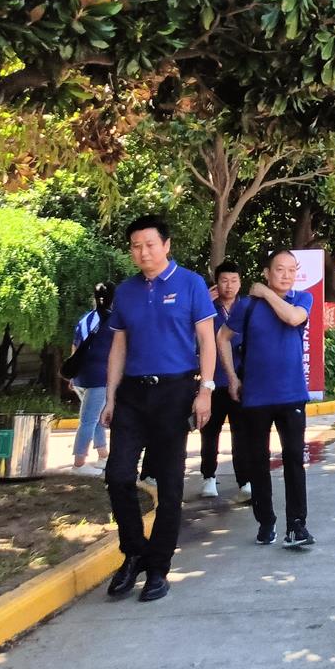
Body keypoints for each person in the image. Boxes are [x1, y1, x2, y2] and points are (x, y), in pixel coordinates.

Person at [101, 215, 217, 603]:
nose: (143, 252)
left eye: (150, 244)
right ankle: (134, 552)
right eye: (136, 246)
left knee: (170, 485)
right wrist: (110, 396)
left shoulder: (191, 284)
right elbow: (118, 346)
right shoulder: (126, 291)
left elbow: (207, 340)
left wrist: (205, 390)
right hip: (133, 395)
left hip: (175, 391)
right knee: (118, 475)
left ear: (166, 245)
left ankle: (158, 568)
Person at [220, 249, 315, 548]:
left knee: (294, 460)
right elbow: (222, 338)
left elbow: (292, 318)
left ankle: (296, 526)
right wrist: (232, 378)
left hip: (292, 395)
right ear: (266, 272)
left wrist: (265, 293)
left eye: (291, 270)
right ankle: (266, 522)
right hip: (256, 397)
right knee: (258, 462)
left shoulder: (302, 299)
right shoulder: (247, 306)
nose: (286, 276)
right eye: (279, 269)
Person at [200, 261, 251, 500]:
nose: (229, 286)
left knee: (241, 433)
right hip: (213, 379)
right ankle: (209, 477)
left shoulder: (248, 307)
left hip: (242, 380)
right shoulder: (206, 307)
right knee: (210, 432)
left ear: (240, 283)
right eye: (224, 281)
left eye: (233, 281)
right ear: (216, 283)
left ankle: (245, 480)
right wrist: (203, 304)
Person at [68, 282, 115, 476]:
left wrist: (72, 375)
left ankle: (103, 455)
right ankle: (79, 464)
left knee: (95, 417)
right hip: (100, 376)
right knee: (89, 419)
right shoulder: (113, 320)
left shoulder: (85, 319)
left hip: (81, 376)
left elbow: (75, 347)